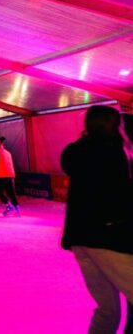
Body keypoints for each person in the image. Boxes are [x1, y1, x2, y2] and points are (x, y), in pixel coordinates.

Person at [61, 105, 133, 333]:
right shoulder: (112, 152)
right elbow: (119, 196)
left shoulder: (77, 152)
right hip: (106, 236)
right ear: (114, 125)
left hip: (80, 238)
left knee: (107, 309)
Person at [0, 138, 20, 216]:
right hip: (10, 175)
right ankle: (18, 210)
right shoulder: (8, 153)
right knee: (11, 193)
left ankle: (9, 206)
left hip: (0, 175)